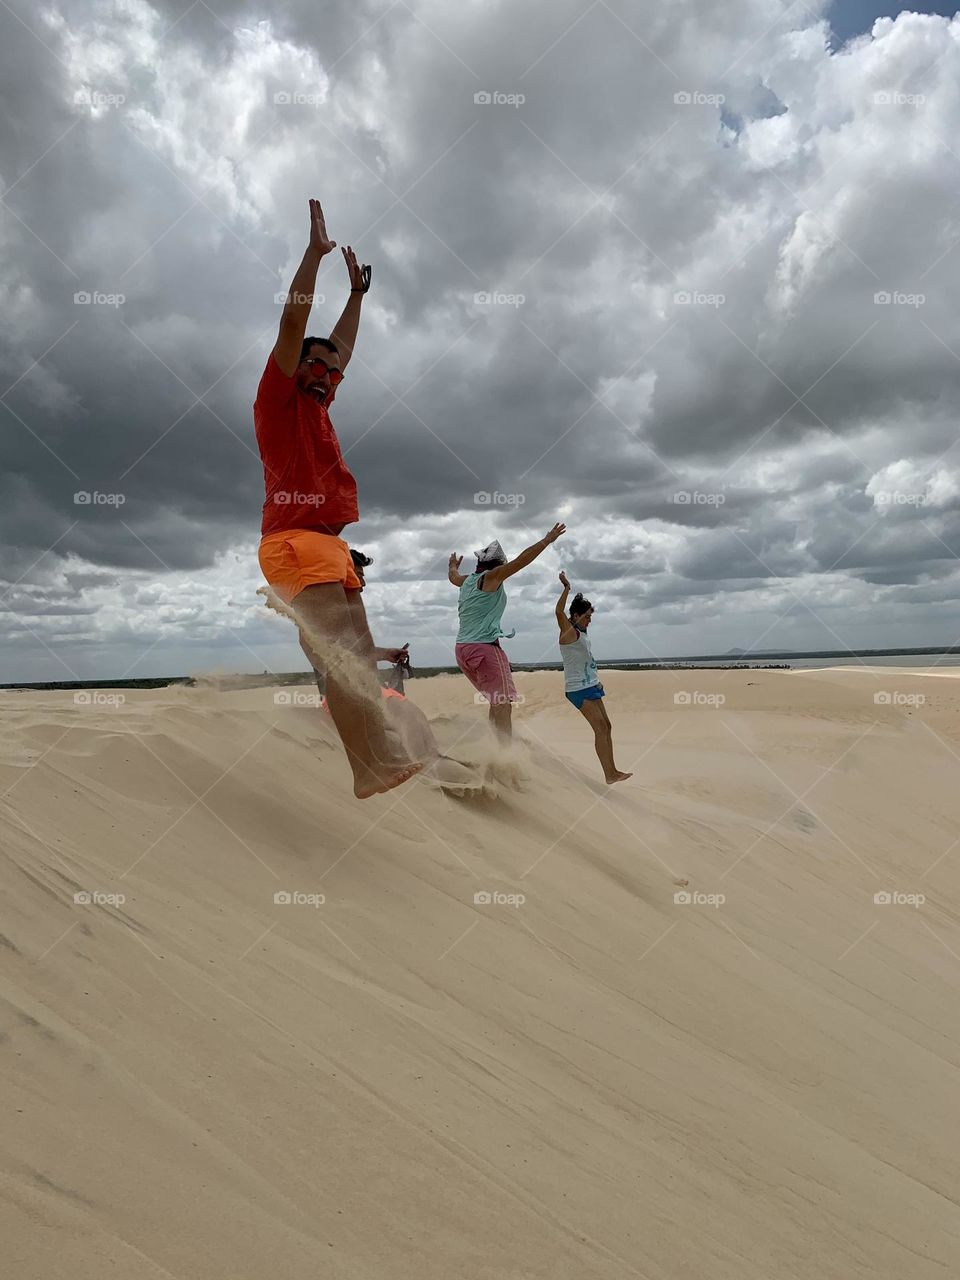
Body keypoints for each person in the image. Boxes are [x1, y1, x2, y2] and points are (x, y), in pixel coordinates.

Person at [254, 197, 422, 798]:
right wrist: (314, 257)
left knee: (355, 662)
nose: (326, 373)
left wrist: (356, 299)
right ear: (292, 368)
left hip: (331, 547)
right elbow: (293, 326)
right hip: (293, 544)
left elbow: (339, 349)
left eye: (331, 370)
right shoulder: (278, 401)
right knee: (343, 662)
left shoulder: (322, 405)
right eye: (314, 365)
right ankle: (368, 768)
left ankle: (378, 760)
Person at [448, 524, 566, 739]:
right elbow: (520, 562)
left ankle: (494, 745)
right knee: (503, 702)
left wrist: (452, 566)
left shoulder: (466, 582)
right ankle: (504, 754)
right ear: (497, 565)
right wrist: (546, 540)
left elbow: (453, 577)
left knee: (496, 700)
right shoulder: (492, 577)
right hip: (484, 648)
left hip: (462, 649)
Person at [555, 572, 632, 784]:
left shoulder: (583, 633)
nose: (590, 620)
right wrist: (566, 588)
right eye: (587, 616)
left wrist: (596, 679)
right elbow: (558, 611)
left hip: (591, 685)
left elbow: (587, 659)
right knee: (599, 727)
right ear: (576, 615)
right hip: (577, 689)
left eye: (590, 616)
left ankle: (613, 771)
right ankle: (609, 774)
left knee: (607, 726)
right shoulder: (568, 631)